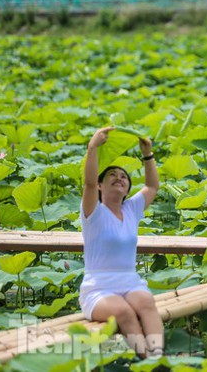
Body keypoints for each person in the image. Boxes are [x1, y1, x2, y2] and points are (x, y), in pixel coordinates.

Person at [79, 127, 163, 358]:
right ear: (99, 185)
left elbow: (152, 186)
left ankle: (157, 355)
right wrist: (93, 147)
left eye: (124, 176)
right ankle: (148, 360)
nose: (119, 178)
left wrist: (148, 154)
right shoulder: (93, 212)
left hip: (130, 282)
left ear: (127, 189)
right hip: (98, 288)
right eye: (112, 175)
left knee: (146, 301)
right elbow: (86, 183)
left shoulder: (132, 209)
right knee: (125, 312)